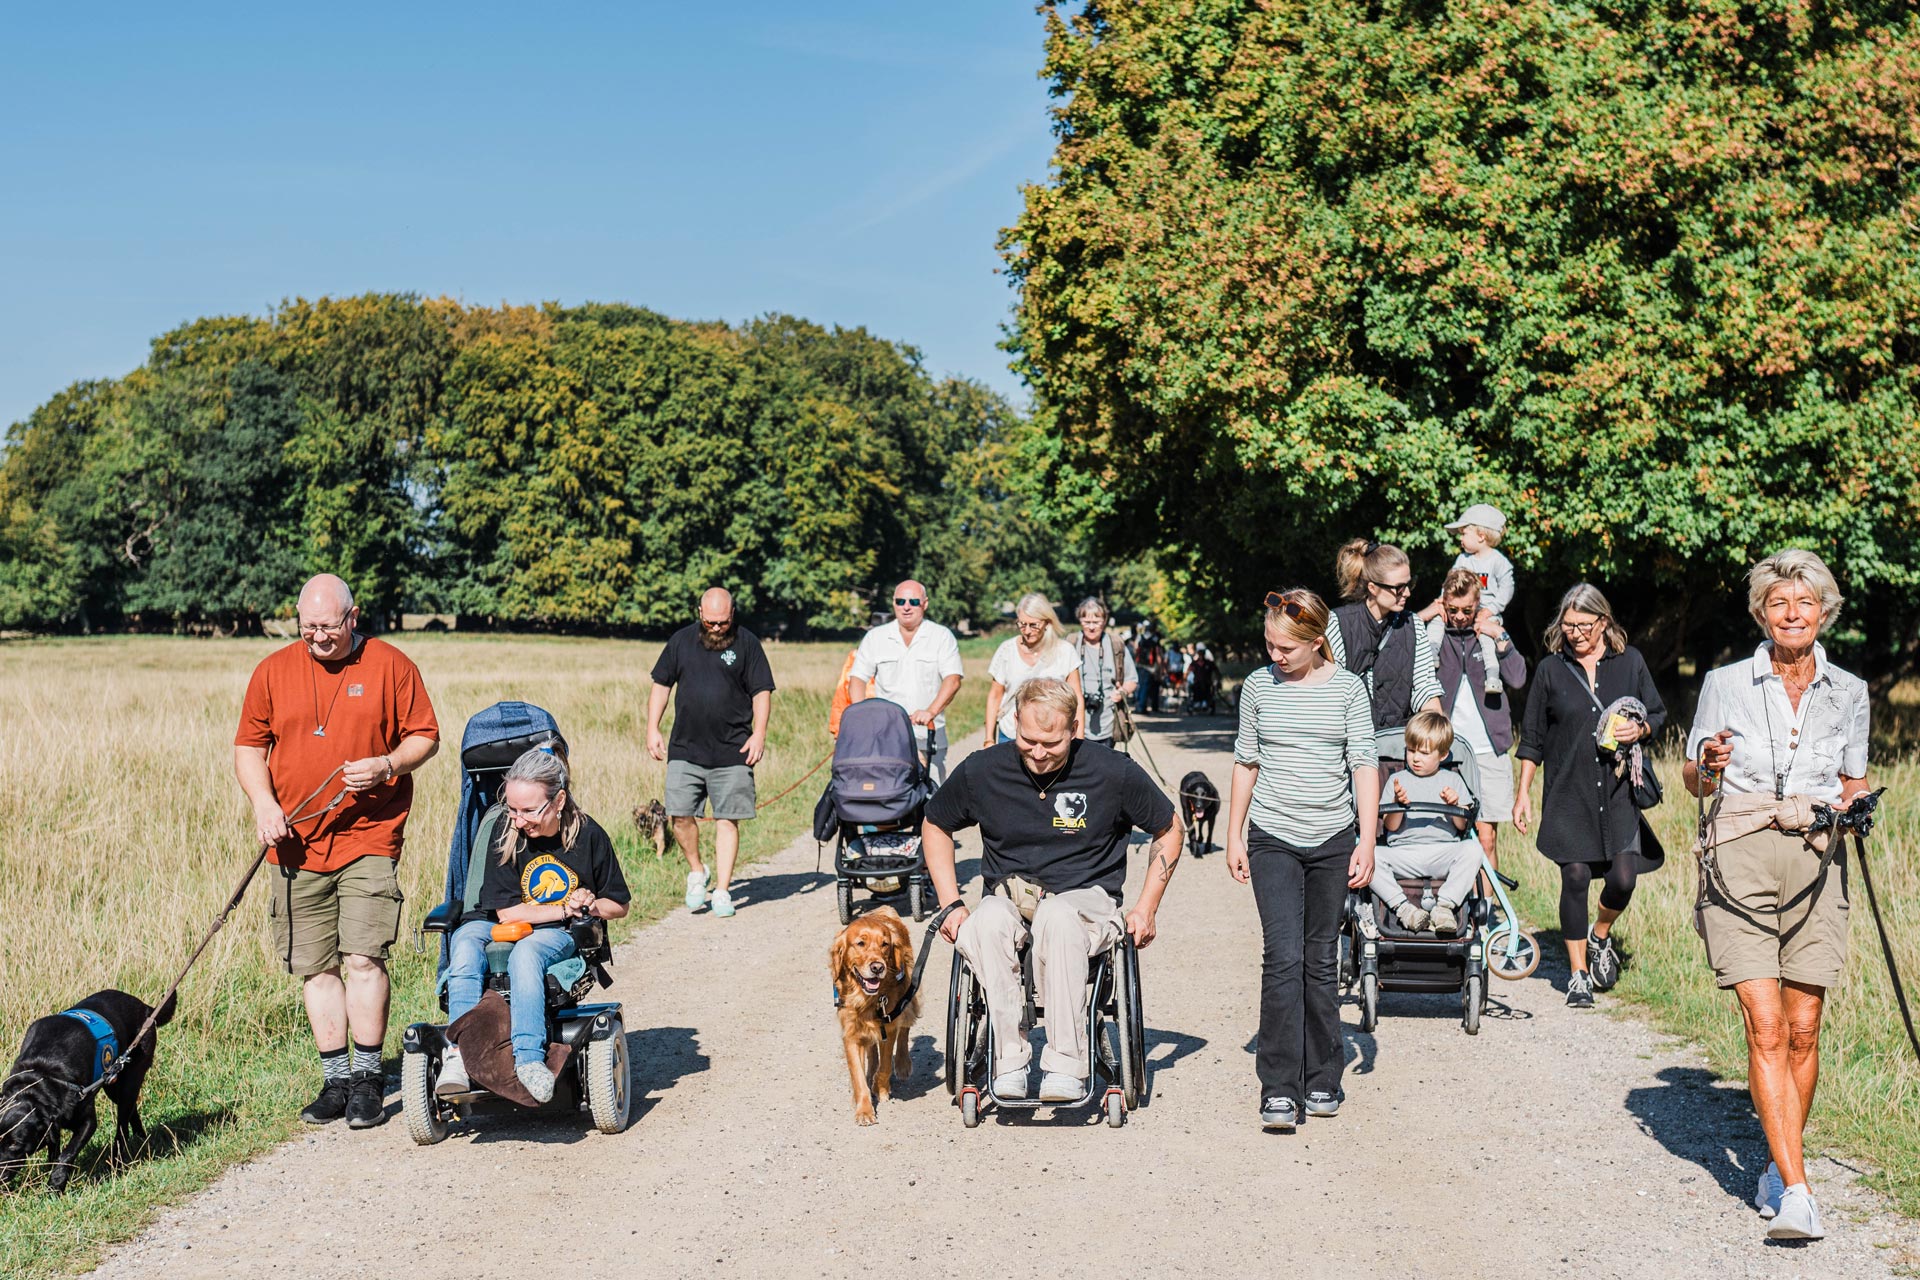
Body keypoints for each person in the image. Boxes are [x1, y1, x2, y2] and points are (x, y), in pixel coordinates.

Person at [1683, 550, 1870, 1241]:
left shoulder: (1850, 690)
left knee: (1804, 1026)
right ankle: (1797, 1190)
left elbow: (1853, 780)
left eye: (1805, 603)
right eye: (1779, 604)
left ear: (1824, 612)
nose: (1792, 615)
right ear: (1762, 613)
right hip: (1740, 849)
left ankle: (1774, 1161)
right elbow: (1695, 781)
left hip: (1817, 854)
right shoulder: (1726, 682)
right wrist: (1707, 765)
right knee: (1765, 1025)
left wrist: (1860, 806)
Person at [234, 574, 440, 1129]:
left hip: (369, 835)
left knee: (363, 957)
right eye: (308, 627)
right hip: (294, 844)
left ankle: (369, 1080)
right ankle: (336, 1081)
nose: (318, 637)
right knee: (316, 965)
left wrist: (387, 765)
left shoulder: (391, 665)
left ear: (353, 617)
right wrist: (264, 805)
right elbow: (249, 747)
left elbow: (425, 736)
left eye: (328, 627)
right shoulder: (272, 671)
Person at [925, 678, 1180, 1101]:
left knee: (1057, 916)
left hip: (1085, 900)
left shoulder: (1111, 771)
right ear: (1014, 722)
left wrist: (1146, 907)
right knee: (986, 921)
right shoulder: (983, 770)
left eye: (1052, 743)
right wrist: (951, 902)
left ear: (1074, 728)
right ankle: (1008, 1060)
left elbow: (1170, 828)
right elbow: (935, 823)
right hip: (1011, 896)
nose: (1039, 753)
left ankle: (1066, 1062)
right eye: (1028, 740)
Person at [1225, 589, 1378, 1132]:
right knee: (1283, 957)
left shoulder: (1348, 689)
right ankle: (1279, 1088)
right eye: (1269, 645)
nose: (1276, 656)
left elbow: (1364, 763)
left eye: (1286, 648)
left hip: (1332, 837)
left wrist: (1367, 839)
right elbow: (1246, 760)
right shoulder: (1257, 687)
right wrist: (1234, 834)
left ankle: (1322, 1077)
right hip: (1273, 836)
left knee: (1320, 959)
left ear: (1317, 641)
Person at [438, 749, 630, 1103]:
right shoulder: (506, 832)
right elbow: (507, 914)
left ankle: (528, 1059)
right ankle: (458, 1055)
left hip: (557, 933)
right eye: (512, 809)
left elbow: (619, 905)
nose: (518, 820)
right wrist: (564, 907)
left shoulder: (589, 836)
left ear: (558, 801)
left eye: (528, 811)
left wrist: (588, 905)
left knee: (525, 953)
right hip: (507, 918)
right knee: (463, 941)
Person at [1513, 583, 1666, 1009]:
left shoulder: (1630, 662)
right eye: (1568, 625)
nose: (1575, 633)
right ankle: (1578, 975)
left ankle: (1600, 935)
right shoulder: (1551, 669)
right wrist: (1523, 794)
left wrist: (1641, 729)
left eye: (1583, 625)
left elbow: (1657, 713)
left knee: (1623, 879)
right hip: (1568, 792)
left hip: (1618, 792)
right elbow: (1532, 738)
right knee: (1576, 877)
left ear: (1603, 622)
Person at [647, 587, 775, 919]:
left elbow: (762, 691)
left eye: (723, 622)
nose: (717, 628)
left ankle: (722, 889)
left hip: (733, 749)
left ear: (732, 614)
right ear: (700, 613)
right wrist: (652, 727)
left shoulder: (747, 643)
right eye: (711, 622)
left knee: (726, 819)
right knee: (679, 815)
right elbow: (661, 684)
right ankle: (697, 870)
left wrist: (759, 733)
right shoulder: (680, 641)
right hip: (685, 748)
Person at [1427, 568, 1528, 862]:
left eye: (1467, 610)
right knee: (1447, 838)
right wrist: (1426, 614)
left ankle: (1485, 893)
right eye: (1453, 610)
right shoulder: (1435, 636)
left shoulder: (1488, 632)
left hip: (1488, 750)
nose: (1459, 617)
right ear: (1444, 604)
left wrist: (1499, 634)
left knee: (1486, 839)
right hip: (1446, 751)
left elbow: (1518, 678)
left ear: (1478, 604)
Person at [1326, 539, 1443, 766]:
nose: (1407, 593)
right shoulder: (1337, 623)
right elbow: (1332, 691)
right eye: (1399, 587)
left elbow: (1425, 688)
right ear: (1373, 588)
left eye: (1409, 584)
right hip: (1347, 755)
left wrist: (1437, 731)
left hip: (1399, 753)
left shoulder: (1414, 625)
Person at [1371, 711, 1479, 934]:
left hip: (1443, 852)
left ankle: (1444, 907)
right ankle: (1404, 909)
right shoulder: (1396, 780)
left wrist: (1455, 805)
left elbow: (1462, 827)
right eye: (1411, 750)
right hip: (1404, 853)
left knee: (1473, 850)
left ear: (1443, 755)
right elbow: (1391, 827)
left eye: (1424, 753)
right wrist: (1397, 803)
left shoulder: (1453, 780)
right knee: (1369, 856)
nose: (1415, 758)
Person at [848, 579, 965, 782]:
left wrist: (930, 712)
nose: (906, 607)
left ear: (925, 604)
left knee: (933, 794)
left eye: (913, 601)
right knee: (888, 792)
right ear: (894, 603)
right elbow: (857, 679)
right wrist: (863, 717)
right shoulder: (875, 638)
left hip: (927, 737)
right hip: (885, 738)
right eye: (901, 601)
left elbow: (953, 679)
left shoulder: (941, 636)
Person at [1419, 504, 1516, 694]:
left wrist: (1493, 609)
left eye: (1464, 533)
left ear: (1481, 536)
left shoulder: (1498, 561)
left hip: (1486, 612)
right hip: (1462, 608)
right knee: (1437, 620)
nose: (1460, 539)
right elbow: (1451, 582)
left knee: (1486, 638)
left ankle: (1492, 675)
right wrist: (1442, 600)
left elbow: (1507, 588)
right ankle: (1431, 653)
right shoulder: (1463, 560)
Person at [985, 592, 1086, 747]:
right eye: (1022, 624)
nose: (1027, 631)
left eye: (1033, 625)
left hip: (1053, 739)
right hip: (1011, 734)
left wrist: (1079, 741)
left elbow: (1077, 699)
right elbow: (995, 696)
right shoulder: (1006, 650)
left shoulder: (1065, 652)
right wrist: (989, 739)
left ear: (1047, 623)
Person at [1074, 596, 1139, 744]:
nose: (1091, 627)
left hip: (1108, 725)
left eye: (1096, 622)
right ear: (1080, 620)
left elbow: (1132, 680)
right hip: (1075, 725)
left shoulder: (1116, 645)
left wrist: (1122, 691)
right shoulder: (1071, 644)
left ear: (1104, 621)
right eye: (1086, 622)